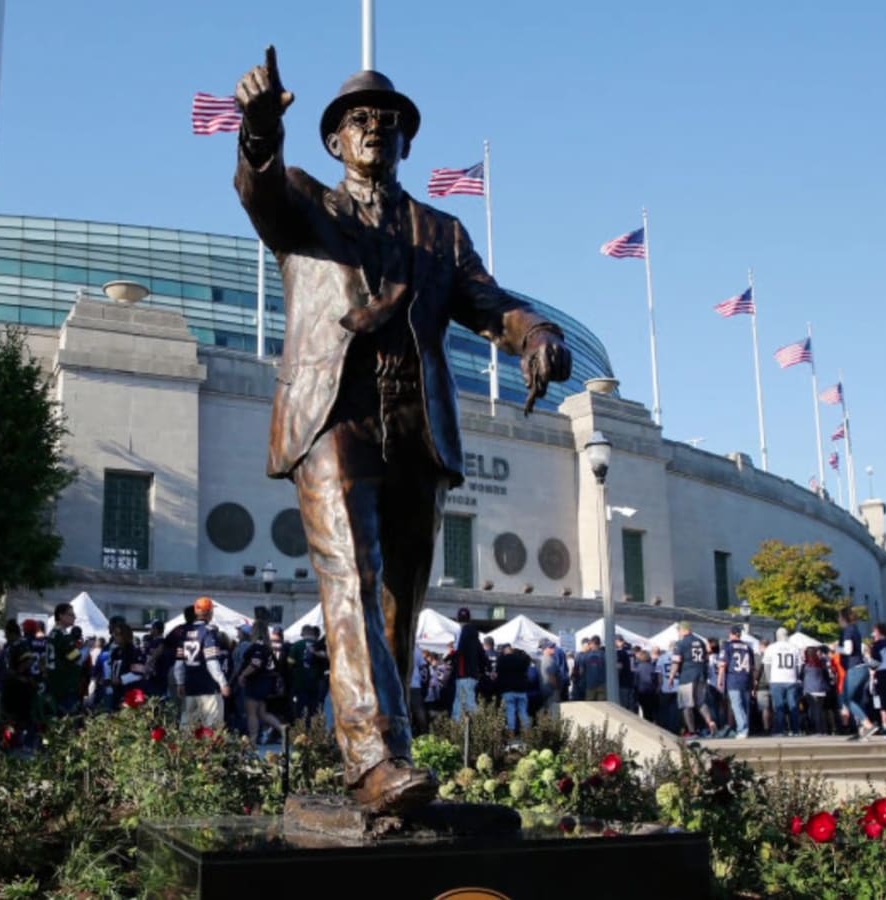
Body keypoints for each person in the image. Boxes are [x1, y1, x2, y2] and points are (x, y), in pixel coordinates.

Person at [233, 48, 572, 815]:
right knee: (350, 574)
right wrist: (256, 134)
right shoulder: (303, 201)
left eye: (389, 122)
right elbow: (257, 190)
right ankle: (375, 755)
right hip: (331, 416)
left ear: (408, 142)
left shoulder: (441, 234)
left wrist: (537, 334)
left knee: (399, 602)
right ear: (333, 141)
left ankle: (384, 754)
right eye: (359, 120)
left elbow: (491, 305)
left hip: (415, 426)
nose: (375, 129)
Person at [173, 596, 231, 729]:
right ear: (210, 612)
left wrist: (180, 682)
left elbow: (179, 663)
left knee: (187, 727)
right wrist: (223, 682)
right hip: (208, 686)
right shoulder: (209, 631)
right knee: (212, 728)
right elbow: (212, 662)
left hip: (189, 685)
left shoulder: (184, 632)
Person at [235, 622, 287, 744]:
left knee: (251, 713)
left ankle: (252, 739)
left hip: (255, 682)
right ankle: (283, 730)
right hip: (265, 683)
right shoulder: (267, 647)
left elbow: (255, 664)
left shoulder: (257, 647)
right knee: (262, 713)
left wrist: (243, 675)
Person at [670, 622, 718, 737]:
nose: (679, 633)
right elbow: (707, 656)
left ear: (684, 630)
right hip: (701, 675)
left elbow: (676, 661)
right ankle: (710, 722)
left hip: (687, 676)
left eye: (679, 630)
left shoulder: (681, 643)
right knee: (701, 702)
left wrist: (672, 676)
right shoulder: (701, 642)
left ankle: (692, 731)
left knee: (686, 705)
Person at [836, 606, 875, 739]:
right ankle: (862, 730)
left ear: (843, 618)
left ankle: (868, 724)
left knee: (848, 699)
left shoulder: (847, 630)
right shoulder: (855, 630)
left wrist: (836, 648)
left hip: (854, 668)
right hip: (862, 667)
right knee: (857, 700)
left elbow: (848, 650)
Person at [46, 602, 84, 715]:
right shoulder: (63, 636)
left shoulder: (52, 633)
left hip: (54, 681)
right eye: (70, 615)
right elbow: (74, 656)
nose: (74, 617)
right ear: (61, 616)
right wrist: (84, 649)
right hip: (65, 683)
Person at [451, 608, 488, 720]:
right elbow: (482, 654)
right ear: (470, 618)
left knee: (463, 703)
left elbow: (459, 651)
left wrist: (451, 659)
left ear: (457, 618)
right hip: (472, 674)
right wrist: (482, 670)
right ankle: (473, 728)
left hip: (463, 673)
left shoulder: (461, 632)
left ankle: (478, 727)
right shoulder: (474, 635)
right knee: (467, 702)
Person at [718, 625, 754, 739]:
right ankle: (746, 729)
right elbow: (752, 667)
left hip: (733, 679)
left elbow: (723, 665)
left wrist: (720, 680)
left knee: (737, 706)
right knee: (745, 706)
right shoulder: (748, 647)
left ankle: (743, 729)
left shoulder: (727, 645)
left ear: (731, 633)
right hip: (746, 678)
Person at [763, 628, 801, 736]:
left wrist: (769, 679)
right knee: (793, 705)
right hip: (791, 679)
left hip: (776, 680)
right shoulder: (794, 648)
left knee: (779, 706)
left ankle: (780, 730)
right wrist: (796, 676)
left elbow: (767, 665)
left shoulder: (771, 648)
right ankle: (795, 730)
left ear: (777, 636)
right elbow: (799, 665)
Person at [495, 644, 532, 735]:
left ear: (504, 651)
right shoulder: (520, 659)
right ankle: (527, 731)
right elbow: (528, 660)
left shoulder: (501, 659)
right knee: (523, 711)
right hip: (521, 690)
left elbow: (498, 673)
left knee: (510, 711)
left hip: (508, 690)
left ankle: (511, 731)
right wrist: (522, 652)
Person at [799, 646, 831, 735]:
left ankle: (817, 730)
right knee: (820, 710)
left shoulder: (805, 665)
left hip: (810, 690)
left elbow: (800, 677)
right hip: (821, 689)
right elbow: (826, 676)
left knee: (813, 710)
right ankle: (824, 730)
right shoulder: (820, 664)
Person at [633, 649, 659, 723]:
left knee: (645, 710)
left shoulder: (638, 667)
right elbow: (655, 679)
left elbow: (636, 681)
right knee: (652, 711)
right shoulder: (653, 667)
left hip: (642, 691)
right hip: (652, 691)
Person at [615, 635, 635, 711]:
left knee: (623, 707)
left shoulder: (620, 652)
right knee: (631, 704)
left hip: (623, 681)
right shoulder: (631, 651)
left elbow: (619, 667)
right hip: (631, 679)